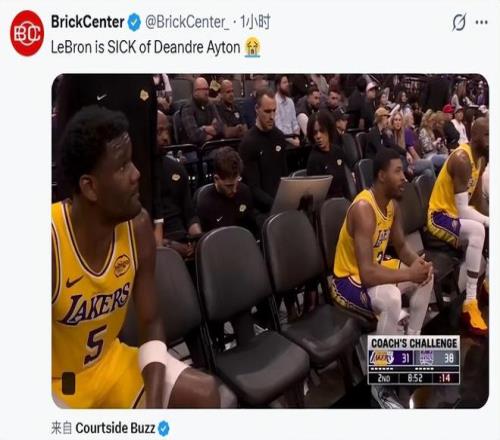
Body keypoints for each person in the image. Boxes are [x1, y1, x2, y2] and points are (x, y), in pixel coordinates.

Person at [52, 105, 219, 409]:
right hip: (58, 383)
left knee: (205, 393)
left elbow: (151, 321)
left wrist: (153, 405)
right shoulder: (49, 242)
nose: (136, 174)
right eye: (122, 166)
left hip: (109, 363)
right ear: (90, 186)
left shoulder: (139, 226)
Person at [331, 148, 433, 408]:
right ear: (381, 175)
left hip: (373, 268)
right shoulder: (363, 209)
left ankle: (409, 349)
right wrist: (408, 273)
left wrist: (418, 265)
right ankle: (381, 387)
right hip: (347, 278)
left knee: (426, 276)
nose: (405, 177)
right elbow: (366, 274)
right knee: (391, 298)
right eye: (398, 171)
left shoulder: (392, 205)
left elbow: (402, 247)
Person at [54, 74, 164, 242]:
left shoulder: (143, 75)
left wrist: (158, 219)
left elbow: (153, 151)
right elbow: (65, 155)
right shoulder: (76, 78)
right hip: (94, 219)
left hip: (140, 211)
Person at [427, 117, 489, 335]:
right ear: (475, 136)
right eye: (487, 135)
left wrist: (488, 218)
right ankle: (469, 303)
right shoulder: (462, 159)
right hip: (440, 216)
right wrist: (488, 222)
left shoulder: (480, 158)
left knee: (486, 226)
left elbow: (476, 201)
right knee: (478, 229)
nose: (492, 140)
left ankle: (487, 283)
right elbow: (463, 211)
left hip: (456, 216)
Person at [156, 112, 202, 258]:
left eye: (167, 130)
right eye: (159, 132)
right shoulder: (137, 175)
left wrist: (197, 239)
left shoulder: (176, 168)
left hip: (183, 239)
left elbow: (190, 214)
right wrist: (168, 245)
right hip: (158, 245)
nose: (166, 137)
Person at [239, 88, 288, 217]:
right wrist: (277, 205)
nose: (272, 117)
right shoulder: (248, 143)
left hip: (280, 205)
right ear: (257, 109)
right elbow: (253, 188)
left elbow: (284, 176)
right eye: (267, 111)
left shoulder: (279, 137)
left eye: (274, 111)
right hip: (260, 211)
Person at [197, 147, 258, 235]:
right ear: (216, 179)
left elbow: (252, 229)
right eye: (229, 186)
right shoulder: (205, 203)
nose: (234, 190)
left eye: (237, 182)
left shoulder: (245, 191)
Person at [306, 110, 351, 198]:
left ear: (329, 129)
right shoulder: (314, 159)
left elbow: (345, 183)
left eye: (322, 131)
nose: (318, 136)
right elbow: (316, 195)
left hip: (343, 200)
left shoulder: (338, 151)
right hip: (326, 204)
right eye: (315, 133)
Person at [390, 112, 434, 178]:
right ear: (392, 121)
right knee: (429, 163)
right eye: (396, 120)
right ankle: (437, 184)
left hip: (407, 162)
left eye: (399, 120)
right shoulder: (390, 134)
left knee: (428, 172)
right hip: (400, 165)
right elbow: (408, 152)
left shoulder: (402, 133)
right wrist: (408, 165)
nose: (398, 122)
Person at [180, 77, 223, 145]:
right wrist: (210, 130)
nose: (207, 93)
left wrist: (204, 128)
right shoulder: (187, 108)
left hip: (211, 145)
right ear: (195, 92)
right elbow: (194, 136)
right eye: (203, 89)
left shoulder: (210, 104)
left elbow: (221, 127)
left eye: (207, 89)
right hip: (195, 148)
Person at [274, 75, 300, 147]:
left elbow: (294, 122)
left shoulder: (290, 101)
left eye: (287, 82)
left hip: (293, 139)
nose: (287, 84)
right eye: (284, 82)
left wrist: (297, 137)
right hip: (281, 140)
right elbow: (278, 128)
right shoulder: (275, 102)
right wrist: (293, 141)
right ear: (278, 86)